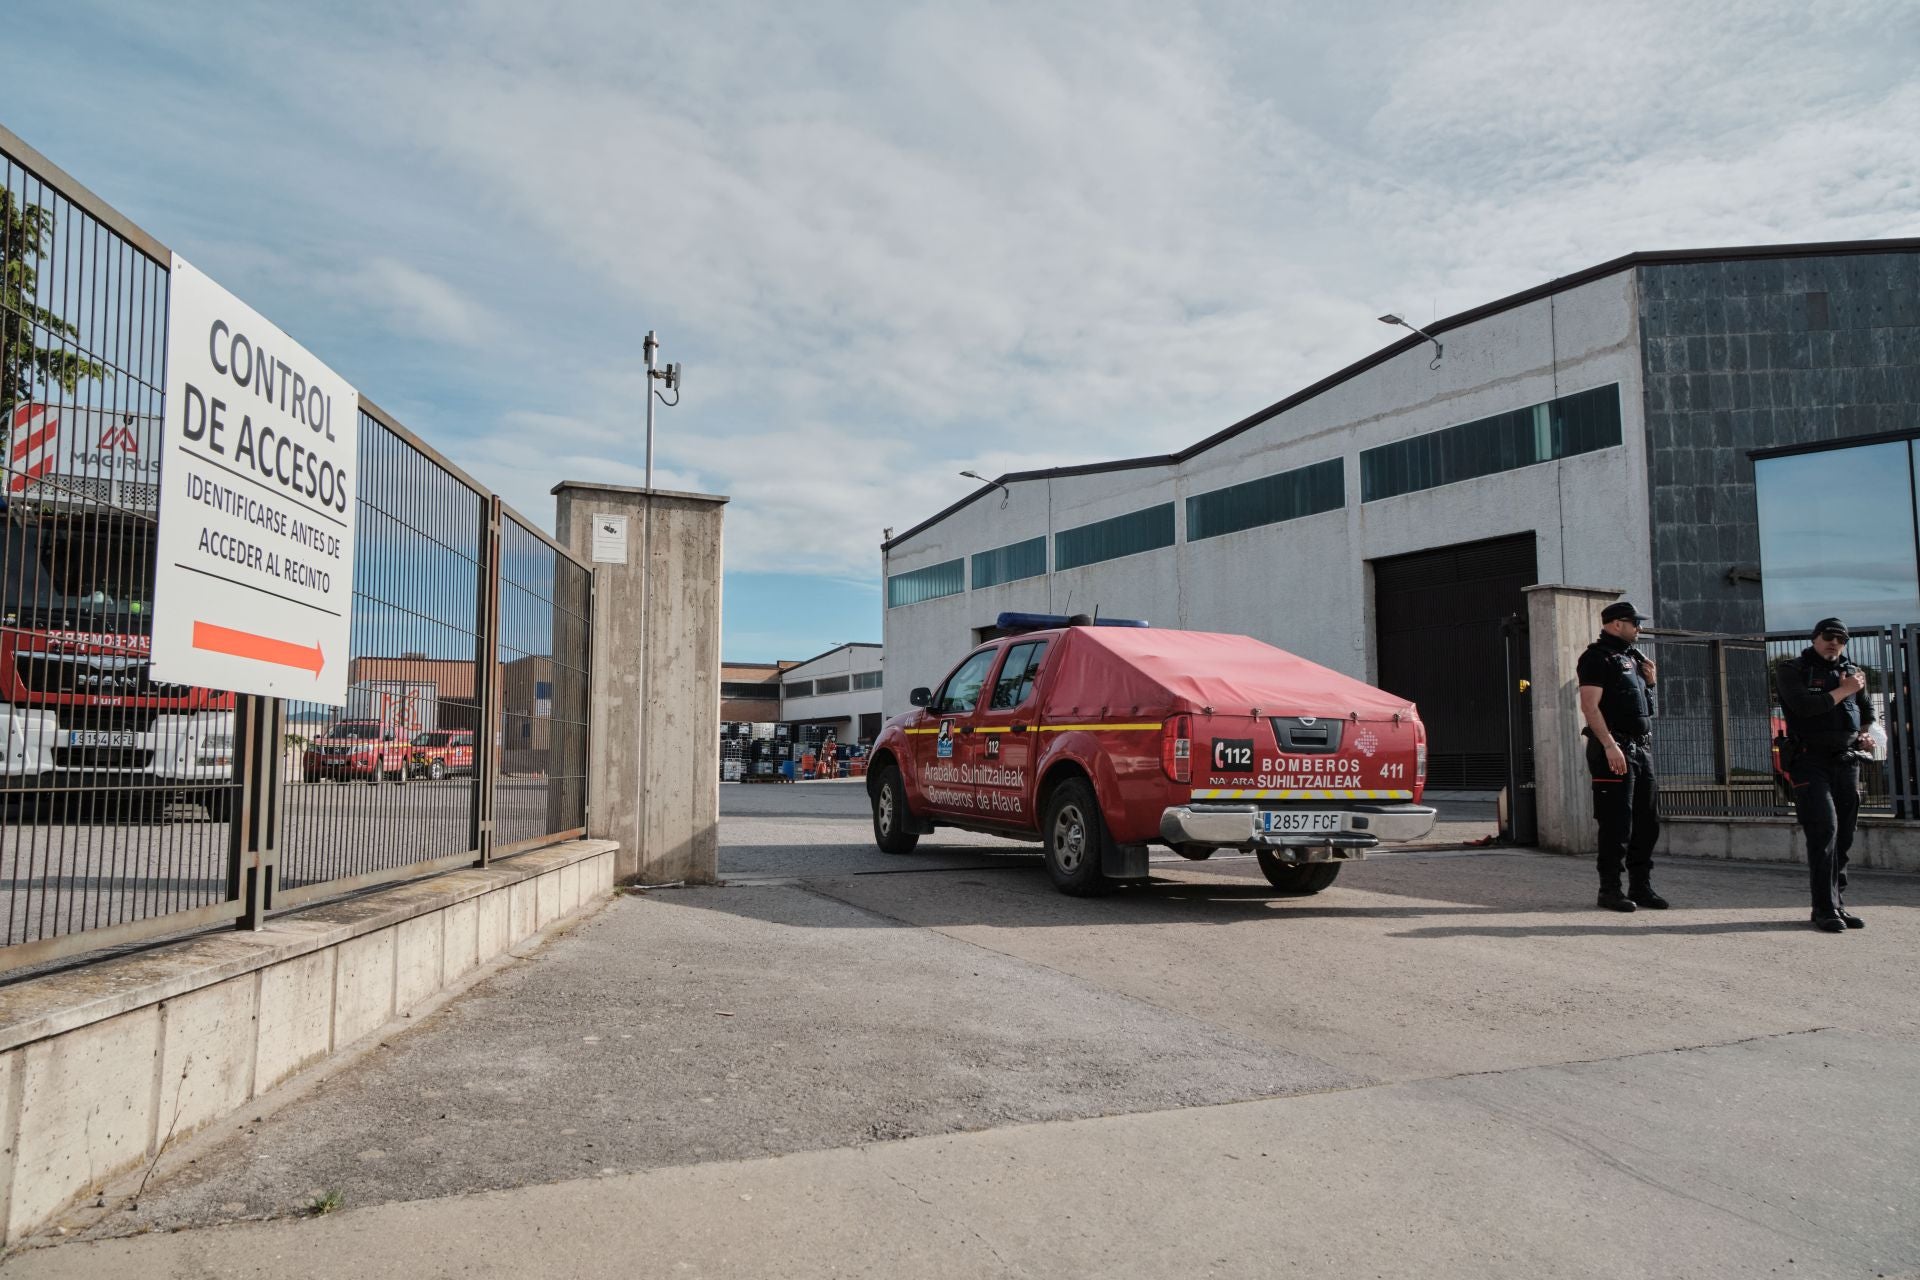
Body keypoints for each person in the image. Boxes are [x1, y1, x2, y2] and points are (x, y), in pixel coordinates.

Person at [1773, 618, 1874, 933]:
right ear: (1815, 638)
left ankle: (1838, 904)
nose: (1835, 643)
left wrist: (1866, 736)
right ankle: (1824, 908)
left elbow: (1867, 716)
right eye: (1829, 637)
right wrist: (1844, 690)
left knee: (1844, 835)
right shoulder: (1793, 670)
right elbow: (1804, 708)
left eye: (1841, 640)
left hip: (1846, 762)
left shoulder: (1853, 672)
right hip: (1809, 760)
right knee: (1824, 831)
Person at [1577, 600, 1668, 912]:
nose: (1639, 628)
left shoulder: (1634, 658)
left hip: (1641, 748)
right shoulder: (1596, 658)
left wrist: (1651, 681)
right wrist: (1609, 745)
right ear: (1617, 624)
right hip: (1613, 748)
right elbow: (1589, 707)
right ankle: (1610, 890)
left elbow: (1646, 710)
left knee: (1647, 822)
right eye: (1635, 623)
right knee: (1617, 823)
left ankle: (1641, 887)